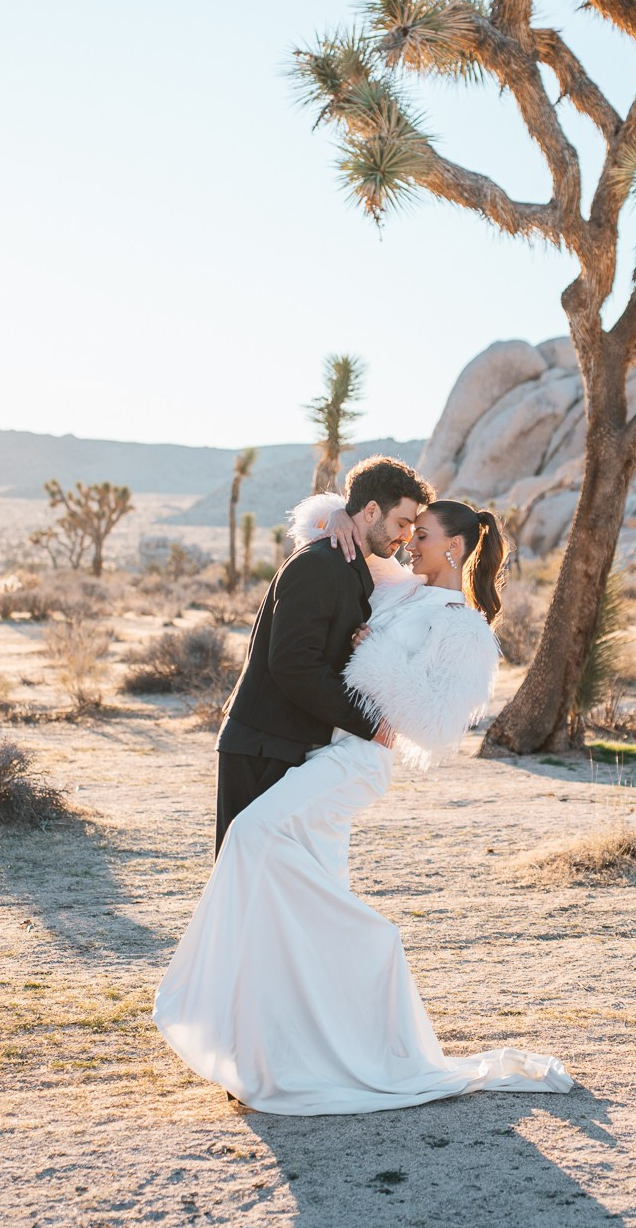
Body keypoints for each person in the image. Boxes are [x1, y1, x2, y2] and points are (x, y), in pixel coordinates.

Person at [153, 490, 574, 1114]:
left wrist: (370, 657)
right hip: (328, 750)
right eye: (409, 529)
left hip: (357, 761)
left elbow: (434, 725)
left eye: (423, 533)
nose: (411, 541)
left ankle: (372, 944)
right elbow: (339, 532)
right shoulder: (400, 586)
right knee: (307, 882)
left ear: (453, 547)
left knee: (252, 836)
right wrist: (339, 525)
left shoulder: (462, 626)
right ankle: (296, 1044)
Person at [213, 455, 432, 854]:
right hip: (263, 745)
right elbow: (294, 664)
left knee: (278, 881)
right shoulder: (319, 564)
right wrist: (370, 723)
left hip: (291, 742)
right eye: (402, 523)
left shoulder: (347, 563)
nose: (405, 537)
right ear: (369, 512)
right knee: (244, 874)